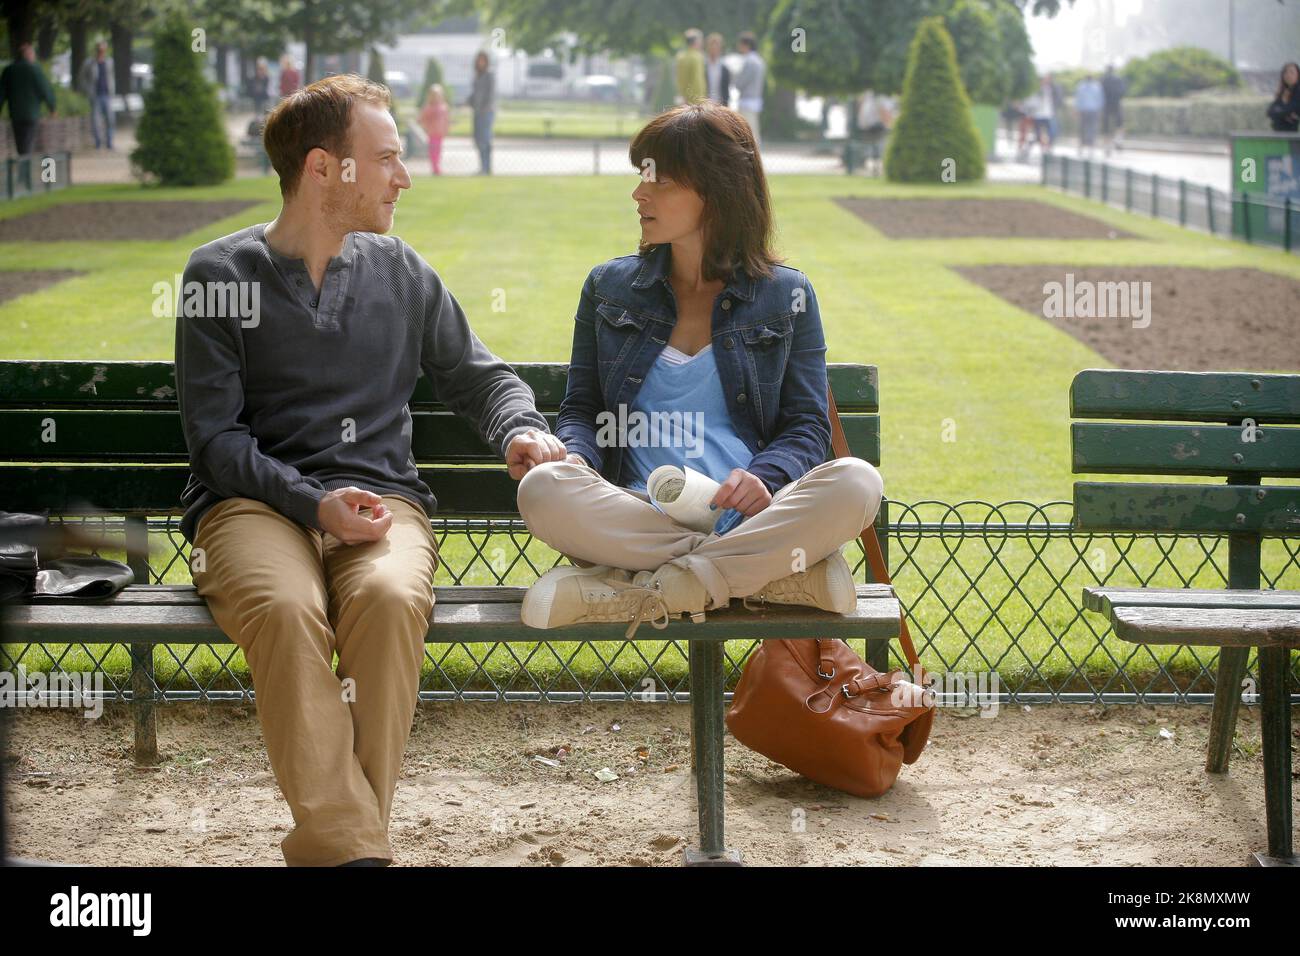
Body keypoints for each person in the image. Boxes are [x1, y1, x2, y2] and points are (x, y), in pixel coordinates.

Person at [177, 74, 564, 866]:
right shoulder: (218, 277)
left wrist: (517, 428)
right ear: (325, 169)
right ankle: (358, 850)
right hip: (250, 508)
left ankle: (346, 847)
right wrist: (314, 503)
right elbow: (216, 443)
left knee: (389, 598)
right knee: (286, 611)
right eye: (386, 158)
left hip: (384, 505)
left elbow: (480, 376)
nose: (405, 176)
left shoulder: (402, 271)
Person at [516, 102, 884, 635]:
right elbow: (583, 409)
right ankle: (764, 577)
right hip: (635, 508)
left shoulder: (788, 295)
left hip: (745, 514)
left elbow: (807, 425)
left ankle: (640, 588)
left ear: (718, 190)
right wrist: (576, 457)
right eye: (640, 178)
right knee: (542, 489)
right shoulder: (609, 287)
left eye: (658, 181)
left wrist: (764, 478)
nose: (639, 194)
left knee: (857, 483)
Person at [0, 42, 56, 157]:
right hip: (32, 113)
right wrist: (52, 107)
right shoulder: (34, 70)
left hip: (15, 114)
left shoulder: (9, 70)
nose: (34, 56)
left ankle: (23, 164)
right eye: (32, 54)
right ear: (27, 55)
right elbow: (45, 89)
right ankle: (26, 168)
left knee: (20, 144)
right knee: (28, 143)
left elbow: (1, 93)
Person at [78, 41, 115, 150]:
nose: (102, 52)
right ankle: (98, 143)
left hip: (107, 95)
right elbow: (82, 77)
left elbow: (111, 76)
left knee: (110, 120)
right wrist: (87, 89)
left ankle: (109, 142)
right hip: (95, 95)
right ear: (97, 50)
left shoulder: (109, 61)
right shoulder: (89, 62)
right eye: (100, 49)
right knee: (96, 121)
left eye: (103, 49)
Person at [734, 31, 766, 146]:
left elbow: (740, 83)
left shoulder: (749, 61)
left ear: (745, 45)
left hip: (747, 101)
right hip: (755, 100)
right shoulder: (759, 60)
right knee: (753, 132)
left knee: (747, 133)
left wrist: (735, 80)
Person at [467, 51, 495, 174]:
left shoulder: (489, 75)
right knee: (478, 139)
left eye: (483, 60)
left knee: (485, 140)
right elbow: (475, 94)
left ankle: (486, 167)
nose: (481, 62)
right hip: (477, 111)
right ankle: (483, 167)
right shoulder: (477, 75)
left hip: (486, 111)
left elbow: (490, 94)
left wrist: (484, 107)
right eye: (479, 60)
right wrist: (468, 101)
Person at [419, 83, 450, 175]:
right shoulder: (429, 107)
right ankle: (435, 168)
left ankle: (437, 166)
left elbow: (446, 119)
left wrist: (446, 128)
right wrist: (426, 127)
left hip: (440, 133)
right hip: (432, 133)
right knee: (433, 151)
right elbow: (422, 119)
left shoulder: (443, 107)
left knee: (439, 151)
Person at [1075, 74, 1104, 158]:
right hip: (1090, 111)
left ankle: (1084, 148)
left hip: (1088, 111)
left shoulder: (1082, 86)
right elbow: (1100, 100)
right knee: (1089, 129)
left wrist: (1077, 110)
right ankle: (1087, 148)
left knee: (1085, 129)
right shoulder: (1096, 87)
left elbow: (1078, 100)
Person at [675, 28, 706, 104]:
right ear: (697, 41)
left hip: (687, 98)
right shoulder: (697, 57)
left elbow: (681, 80)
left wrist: (683, 95)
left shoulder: (681, 57)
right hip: (697, 100)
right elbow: (698, 81)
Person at [1267, 62, 1300, 132]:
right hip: (1279, 134)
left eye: (1292, 72)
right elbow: (1270, 112)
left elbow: (1292, 108)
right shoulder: (1282, 92)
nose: (1288, 75)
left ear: (1298, 75)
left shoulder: (1298, 92)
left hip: (1294, 136)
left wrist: (1280, 110)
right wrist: (1286, 114)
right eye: (1285, 72)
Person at [1101, 64, 1126, 154]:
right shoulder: (1118, 79)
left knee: (1106, 127)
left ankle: (1107, 147)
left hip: (1106, 105)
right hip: (1117, 104)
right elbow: (1123, 91)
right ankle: (1118, 140)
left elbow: (1100, 93)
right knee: (1120, 124)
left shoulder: (1103, 80)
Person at [704, 32, 730, 105]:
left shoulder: (724, 68)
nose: (714, 49)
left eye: (717, 46)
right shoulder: (703, 66)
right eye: (712, 46)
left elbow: (726, 89)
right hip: (705, 105)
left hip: (720, 106)